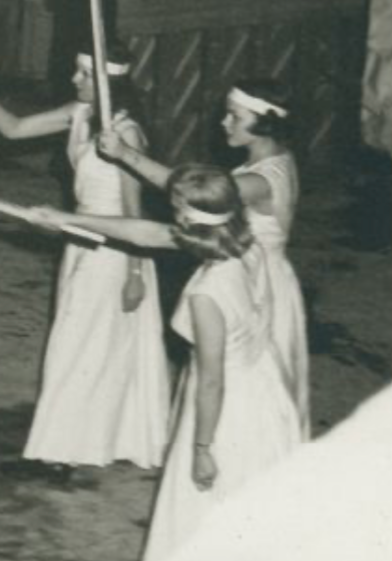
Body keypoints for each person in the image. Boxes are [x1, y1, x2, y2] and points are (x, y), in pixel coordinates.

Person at [32, 166, 305, 561]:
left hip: (227, 413)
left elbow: (213, 379)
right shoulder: (248, 246)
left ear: (190, 221)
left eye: (176, 210)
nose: (170, 217)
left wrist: (201, 449)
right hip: (267, 394)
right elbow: (145, 233)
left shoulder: (206, 293)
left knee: (205, 519)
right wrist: (66, 218)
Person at [0, 55, 170, 471]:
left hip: (114, 250)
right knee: (81, 344)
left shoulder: (127, 135)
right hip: (78, 237)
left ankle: (56, 456)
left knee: (78, 345)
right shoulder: (79, 113)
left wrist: (134, 275)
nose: (74, 78)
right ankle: (84, 441)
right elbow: (14, 128)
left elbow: (134, 210)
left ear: (110, 84)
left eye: (85, 74)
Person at [99, 78, 308, 427]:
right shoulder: (276, 159)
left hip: (257, 284)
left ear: (265, 122)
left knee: (239, 383)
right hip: (259, 272)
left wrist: (125, 154)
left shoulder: (260, 181)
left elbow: (189, 191)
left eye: (234, 116)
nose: (224, 123)